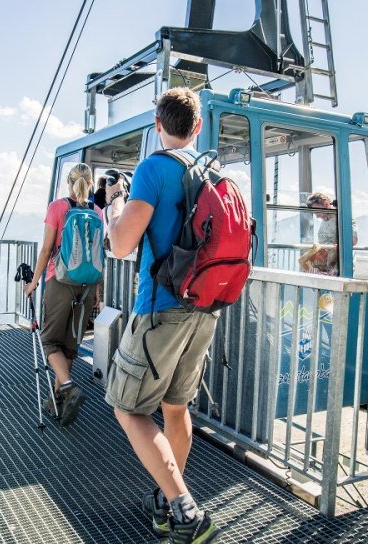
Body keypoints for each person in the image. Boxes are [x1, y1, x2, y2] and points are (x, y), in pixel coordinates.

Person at [103, 87, 220, 543]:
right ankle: (167, 498)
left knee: (127, 408)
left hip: (159, 311)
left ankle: (186, 510)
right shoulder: (211, 172)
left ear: (157, 126)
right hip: (204, 310)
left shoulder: (154, 169)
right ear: (196, 128)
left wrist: (115, 202)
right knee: (176, 407)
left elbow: (121, 244)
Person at [23, 163, 100, 426]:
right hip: (88, 287)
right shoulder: (98, 211)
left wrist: (33, 282)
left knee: (49, 341)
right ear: (91, 183)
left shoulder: (58, 208)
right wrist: (98, 293)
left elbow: (46, 250)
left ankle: (68, 387)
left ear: (69, 182)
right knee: (69, 346)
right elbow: (98, 256)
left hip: (60, 281)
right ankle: (57, 399)